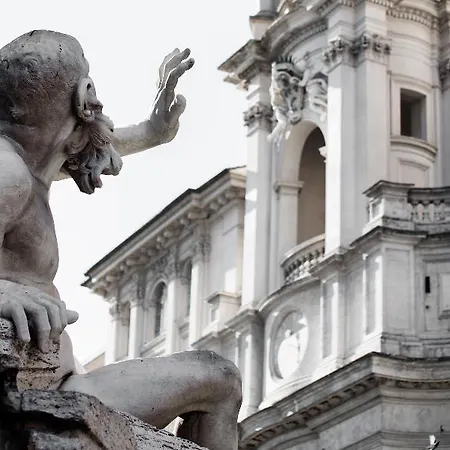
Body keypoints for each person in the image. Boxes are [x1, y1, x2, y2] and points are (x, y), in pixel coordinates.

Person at [0, 30, 241, 450]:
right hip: (46, 393)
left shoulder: (30, 163)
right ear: (84, 96)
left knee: (218, 377)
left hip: (63, 382)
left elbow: (82, 150)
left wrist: (152, 131)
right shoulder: (10, 175)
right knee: (219, 380)